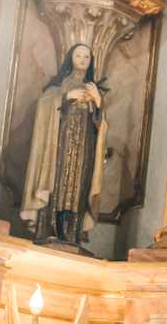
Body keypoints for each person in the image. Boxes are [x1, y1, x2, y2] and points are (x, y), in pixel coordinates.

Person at [20, 43, 107, 248]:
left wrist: (98, 102)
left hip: (83, 149)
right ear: (71, 58)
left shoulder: (92, 88)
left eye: (86, 57)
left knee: (78, 189)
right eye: (78, 56)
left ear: (91, 61)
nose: (82, 60)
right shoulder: (58, 84)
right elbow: (43, 106)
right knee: (55, 185)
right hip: (59, 146)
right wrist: (66, 96)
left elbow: (100, 125)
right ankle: (48, 231)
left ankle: (70, 235)